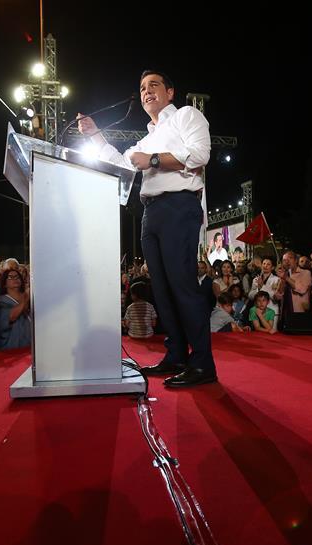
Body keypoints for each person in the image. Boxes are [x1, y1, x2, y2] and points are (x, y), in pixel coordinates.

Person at [79, 69, 215, 387]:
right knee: (163, 292)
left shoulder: (185, 116)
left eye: (153, 85)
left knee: (182, 285)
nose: (146, 91)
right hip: (150, 212)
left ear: (170, 92)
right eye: (141, 88)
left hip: (178, 206)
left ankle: (203, 363)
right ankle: (177, 354)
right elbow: (121, 164)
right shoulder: (146, 138)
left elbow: (200, 155)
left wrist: (153, 160)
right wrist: (95, 135)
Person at [0, 265, 31, 349]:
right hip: (11, 348)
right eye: (10, 277)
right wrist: (26, 298)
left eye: (17, 276)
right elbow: (11, 316)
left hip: (28, 346)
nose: (15, 278)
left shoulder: (28, 296)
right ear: (4, 283)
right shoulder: (1, 301)